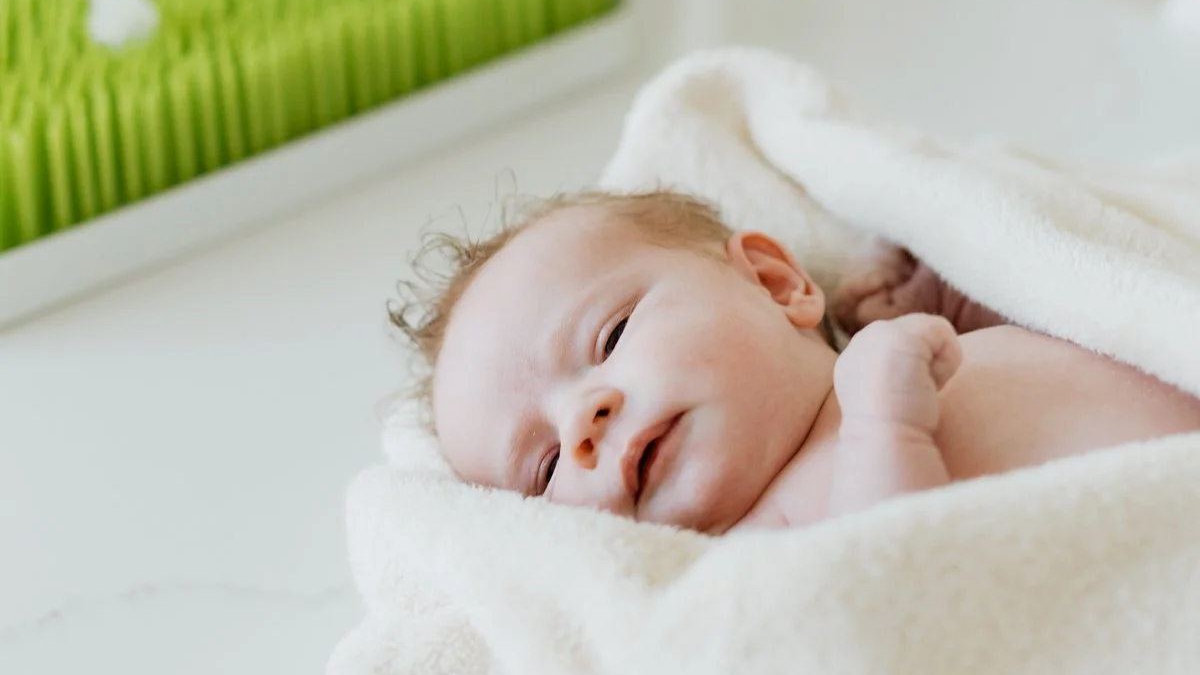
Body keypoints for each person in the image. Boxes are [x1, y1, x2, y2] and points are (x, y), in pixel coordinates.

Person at [394, 189, 1200, 532]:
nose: (583, 423)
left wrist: (957, 299)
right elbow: (907, 594)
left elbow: (1080, 313)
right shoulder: (767, 542)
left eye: (610, 339)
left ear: (779, 283)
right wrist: (890, 430)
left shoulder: (898, 349)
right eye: (542, 470)